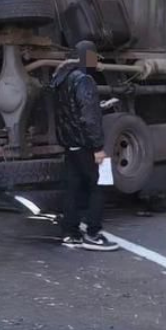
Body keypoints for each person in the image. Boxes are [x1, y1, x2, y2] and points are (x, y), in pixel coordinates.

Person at [50, 51, 119, 251]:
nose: (97, 62)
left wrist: (98, 107)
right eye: (95, 58)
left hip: (70, 143)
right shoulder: (84, 80)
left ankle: (70, 233)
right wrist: (98, 147)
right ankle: (93, 234)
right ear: (87, 58)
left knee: (73, 187)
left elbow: (72, 111)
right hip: (86, 144)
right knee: (99, 185)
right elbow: (88, 118)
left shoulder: (61, 79)